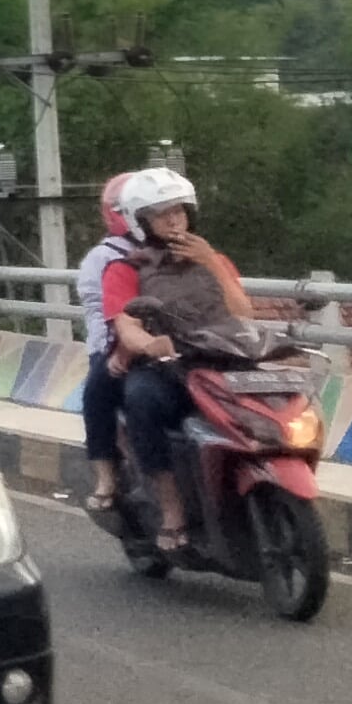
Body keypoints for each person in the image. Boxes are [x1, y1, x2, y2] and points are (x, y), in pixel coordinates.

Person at [102, 170, 253, 552]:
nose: (173, 220)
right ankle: (171, 508)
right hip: (169, 370)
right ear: (142, 222)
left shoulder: (216, 260)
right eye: (161, 213)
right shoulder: (126, 268)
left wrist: (212, 264)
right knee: (141, 399)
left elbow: (244, 315)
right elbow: (126, 325)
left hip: (223, 361)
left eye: (179, 211)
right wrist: (152, 345)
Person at [73, 176, 139, 485]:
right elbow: (101, 314)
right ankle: (106, 476)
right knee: (96, 393)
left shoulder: (180, 250)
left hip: (175, 344)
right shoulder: (104, 257)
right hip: (115, 343)